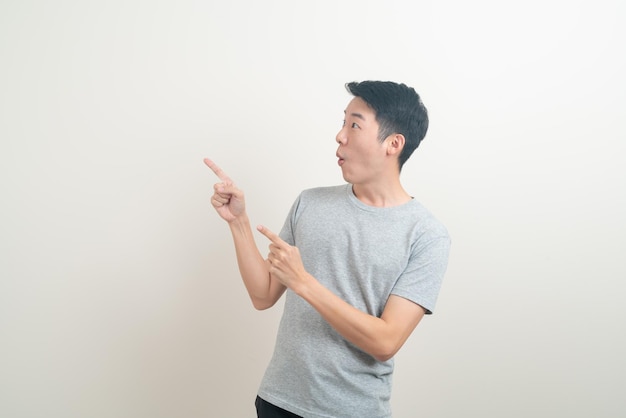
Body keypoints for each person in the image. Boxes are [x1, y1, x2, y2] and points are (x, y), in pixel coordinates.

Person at [205, 81, 450, 418]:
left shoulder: (426, 235)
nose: (340, 135)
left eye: (354, 124)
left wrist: (304, 283)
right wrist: (239, 222)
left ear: (393, 144)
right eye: (343, 122)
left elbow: (385, 342)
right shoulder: (311, 202)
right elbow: (263, 294)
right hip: (278, 401)